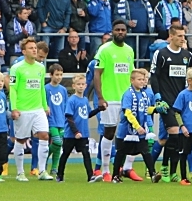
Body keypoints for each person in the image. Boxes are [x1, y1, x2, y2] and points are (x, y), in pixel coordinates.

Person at [148, 24, 192, 181]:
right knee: (174, 133)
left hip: (181, 102)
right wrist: (157, 97)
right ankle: (165, 168)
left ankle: (171, 170)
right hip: (166, 102)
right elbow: (154, 76)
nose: (183, 39)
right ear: (171, 36)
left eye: (184, 36)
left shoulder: (187, 55)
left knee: (177, 138)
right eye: (180, 36)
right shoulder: (161, 54)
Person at [93, 20, 134, 181]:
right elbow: (97, 74)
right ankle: (105, 170)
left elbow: (131, 74)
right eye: (117, 29)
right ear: (112, 31)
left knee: (129, 134)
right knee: (109, 133)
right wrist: (100, 97)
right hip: (109, 99)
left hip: (126, 99)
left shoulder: (130, 50)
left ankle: (125, 168)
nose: (120, 32)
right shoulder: (104, 50)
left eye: (123, 29)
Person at [8, 37, 51, 182]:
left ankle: (42, 170)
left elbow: (41, 89)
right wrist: (13, 108)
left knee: (45, 135)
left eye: (35, 48)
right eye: (31, 48)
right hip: (23, 109)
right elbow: (13, 90)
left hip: (38, 109)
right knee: (21, 140)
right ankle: (20, 172)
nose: (34, 50)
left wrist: (45, 106)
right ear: (24, 51)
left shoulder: (40, 67)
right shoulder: (17, 68)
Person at [111, 69, 162, 183]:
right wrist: (137, 126)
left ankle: (153, 173)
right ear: (132, 80)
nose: (142, 82)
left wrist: (155, 109)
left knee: (145, 151)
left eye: (143, 80)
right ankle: (115, 175)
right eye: (139, 79)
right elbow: (128, 112)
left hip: (140, 131)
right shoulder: (128, 94)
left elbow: (144, 109)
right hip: (126, 131)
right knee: (121, 153)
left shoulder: (144, 94)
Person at [60, 74, 100, 183]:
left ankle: (90, 176)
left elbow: (87, 114)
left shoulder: (85, 100)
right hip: (71, 134)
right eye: (78, 84)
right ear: (74, 86)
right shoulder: (71, 100)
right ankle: (60, 175)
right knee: (65, 154)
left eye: (82, 84)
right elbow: (69, 116)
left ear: (86, 85)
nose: (81, 86)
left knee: (86, 153)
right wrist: (75, 131)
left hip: (83, 133)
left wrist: (99, 109)